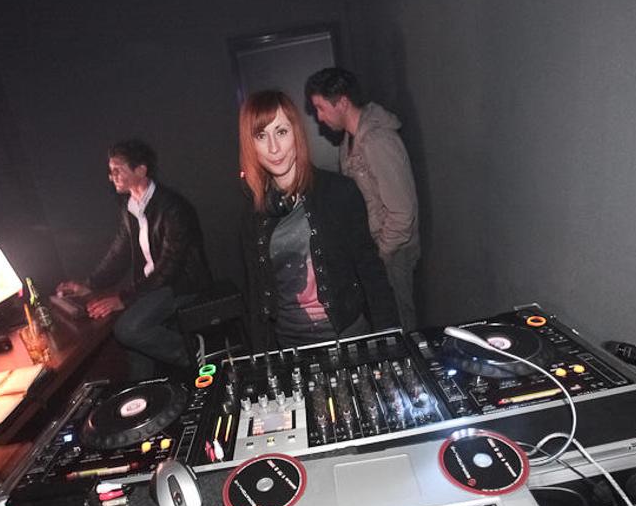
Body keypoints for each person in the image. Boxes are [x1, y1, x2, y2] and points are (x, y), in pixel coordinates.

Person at [238, 90, 398, 350]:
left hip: (349, 340)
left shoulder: (339, 192)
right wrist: (261, 358)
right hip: (290, 349)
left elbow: (372, 273)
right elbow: (255, 296)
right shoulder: (252, 215)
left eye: (281, 132)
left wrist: (390, 341)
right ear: (250, 144)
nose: (274, 148)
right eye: (261, 136)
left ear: (296, 133)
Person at [57, 139, 211, 380]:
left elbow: (170, 268)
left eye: (117, 170)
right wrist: (89, 284)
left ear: (140, 170)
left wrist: (124, 298)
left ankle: (194, 353)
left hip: (181, 285)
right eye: (111, 171)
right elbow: (118, 254)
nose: (111, 177)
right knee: (134, 348)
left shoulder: (173, 208)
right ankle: (144, 390)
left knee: (128, 329)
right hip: (154, 285)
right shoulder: (131, 207)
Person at [305, 67, 421, 330]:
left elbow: (403, 213)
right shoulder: (349, 141)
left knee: (399, 327)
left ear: (342, 102)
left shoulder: (378, 141)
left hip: (392, 254)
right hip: (376, 251)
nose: (319, 117)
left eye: (321, 108)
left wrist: (379, 255)